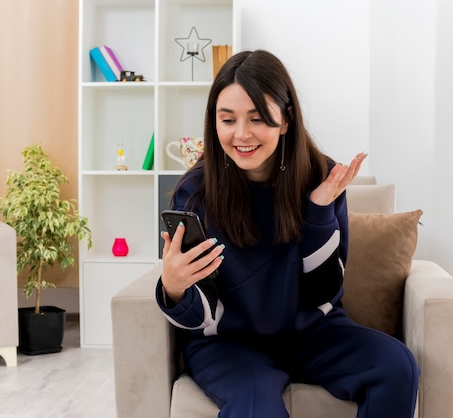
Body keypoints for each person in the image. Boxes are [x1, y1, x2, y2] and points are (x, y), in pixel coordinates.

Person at [156, 50, 419, 418]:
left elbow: (325, 293)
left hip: (312, 333)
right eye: (227, 119)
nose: (241, 134)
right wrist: (173, 287)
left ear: (284, 120)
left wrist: (318, 214)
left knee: (396, 366)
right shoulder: (194, 192)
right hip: (230, 344)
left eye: (258, 118)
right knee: (255, 404)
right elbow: (198, 317)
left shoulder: (322, 178)